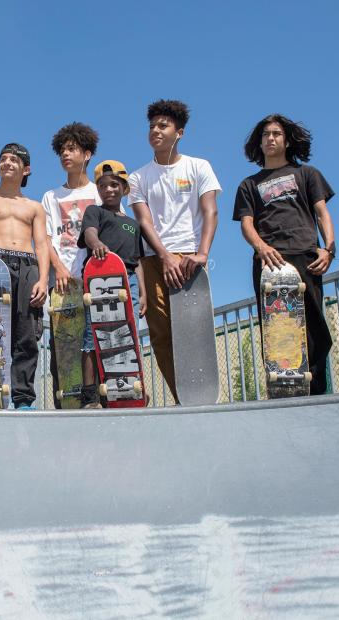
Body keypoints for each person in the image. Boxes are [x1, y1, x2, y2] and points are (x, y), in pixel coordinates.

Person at [233, 114, 336, 396]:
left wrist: (329, 248)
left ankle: (316, 390)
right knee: (276, 326)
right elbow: (246, 223)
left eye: (276, 133)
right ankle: (283, 388)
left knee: (314, 328)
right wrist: (261, 248)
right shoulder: (249, 184)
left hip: (306, 256)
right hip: (269, 263)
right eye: (265, 135)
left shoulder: (307, 174)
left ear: (287, 139)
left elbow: (322, 212)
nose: (271, 138)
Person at [129, 99, 221, 402]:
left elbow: (210, 212)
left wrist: (203, 253)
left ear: (178, 132)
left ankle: (204, 397)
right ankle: (181, 398)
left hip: (191, 258)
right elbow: (143, 220)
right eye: (152, 125)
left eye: (163, 125)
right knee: (162, 334)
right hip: (155, 258)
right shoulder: (139, 177)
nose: (155, 130)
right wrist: (165, 256)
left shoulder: (199, 166)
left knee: (193, 331)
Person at [0, 143, 50, 410]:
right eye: (3, 158)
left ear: (26, 169)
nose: (7, 163)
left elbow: (41, 244)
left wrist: (43, 279)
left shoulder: (35, 207)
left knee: (26, 333)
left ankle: (23, 398)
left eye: (14, 160)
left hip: (29, 265)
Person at [41, 122, 101, 407]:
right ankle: (65, 410)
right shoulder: (51, 197)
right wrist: (60, 269)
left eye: (72, 149)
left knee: (97, 347)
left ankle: (98, 403)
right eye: (62, 150)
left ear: (86, 154)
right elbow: (46, 237)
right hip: (64, 283)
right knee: (64, 351)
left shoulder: (101, 192)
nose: (66, 154)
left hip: (97, 280)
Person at [77, 160, 145, 408]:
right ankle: (90, 396)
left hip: (129, 281)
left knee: (126, 336)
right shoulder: (95, 212)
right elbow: (89, 233)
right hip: (100, 278)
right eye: (103, 186)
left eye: (114, 185)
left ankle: (124, 390)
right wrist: (96, 245)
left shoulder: (133, 224)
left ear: (124, 188)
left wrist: (143, 294)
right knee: (93, 336)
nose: (109, 190)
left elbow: (138, 262)